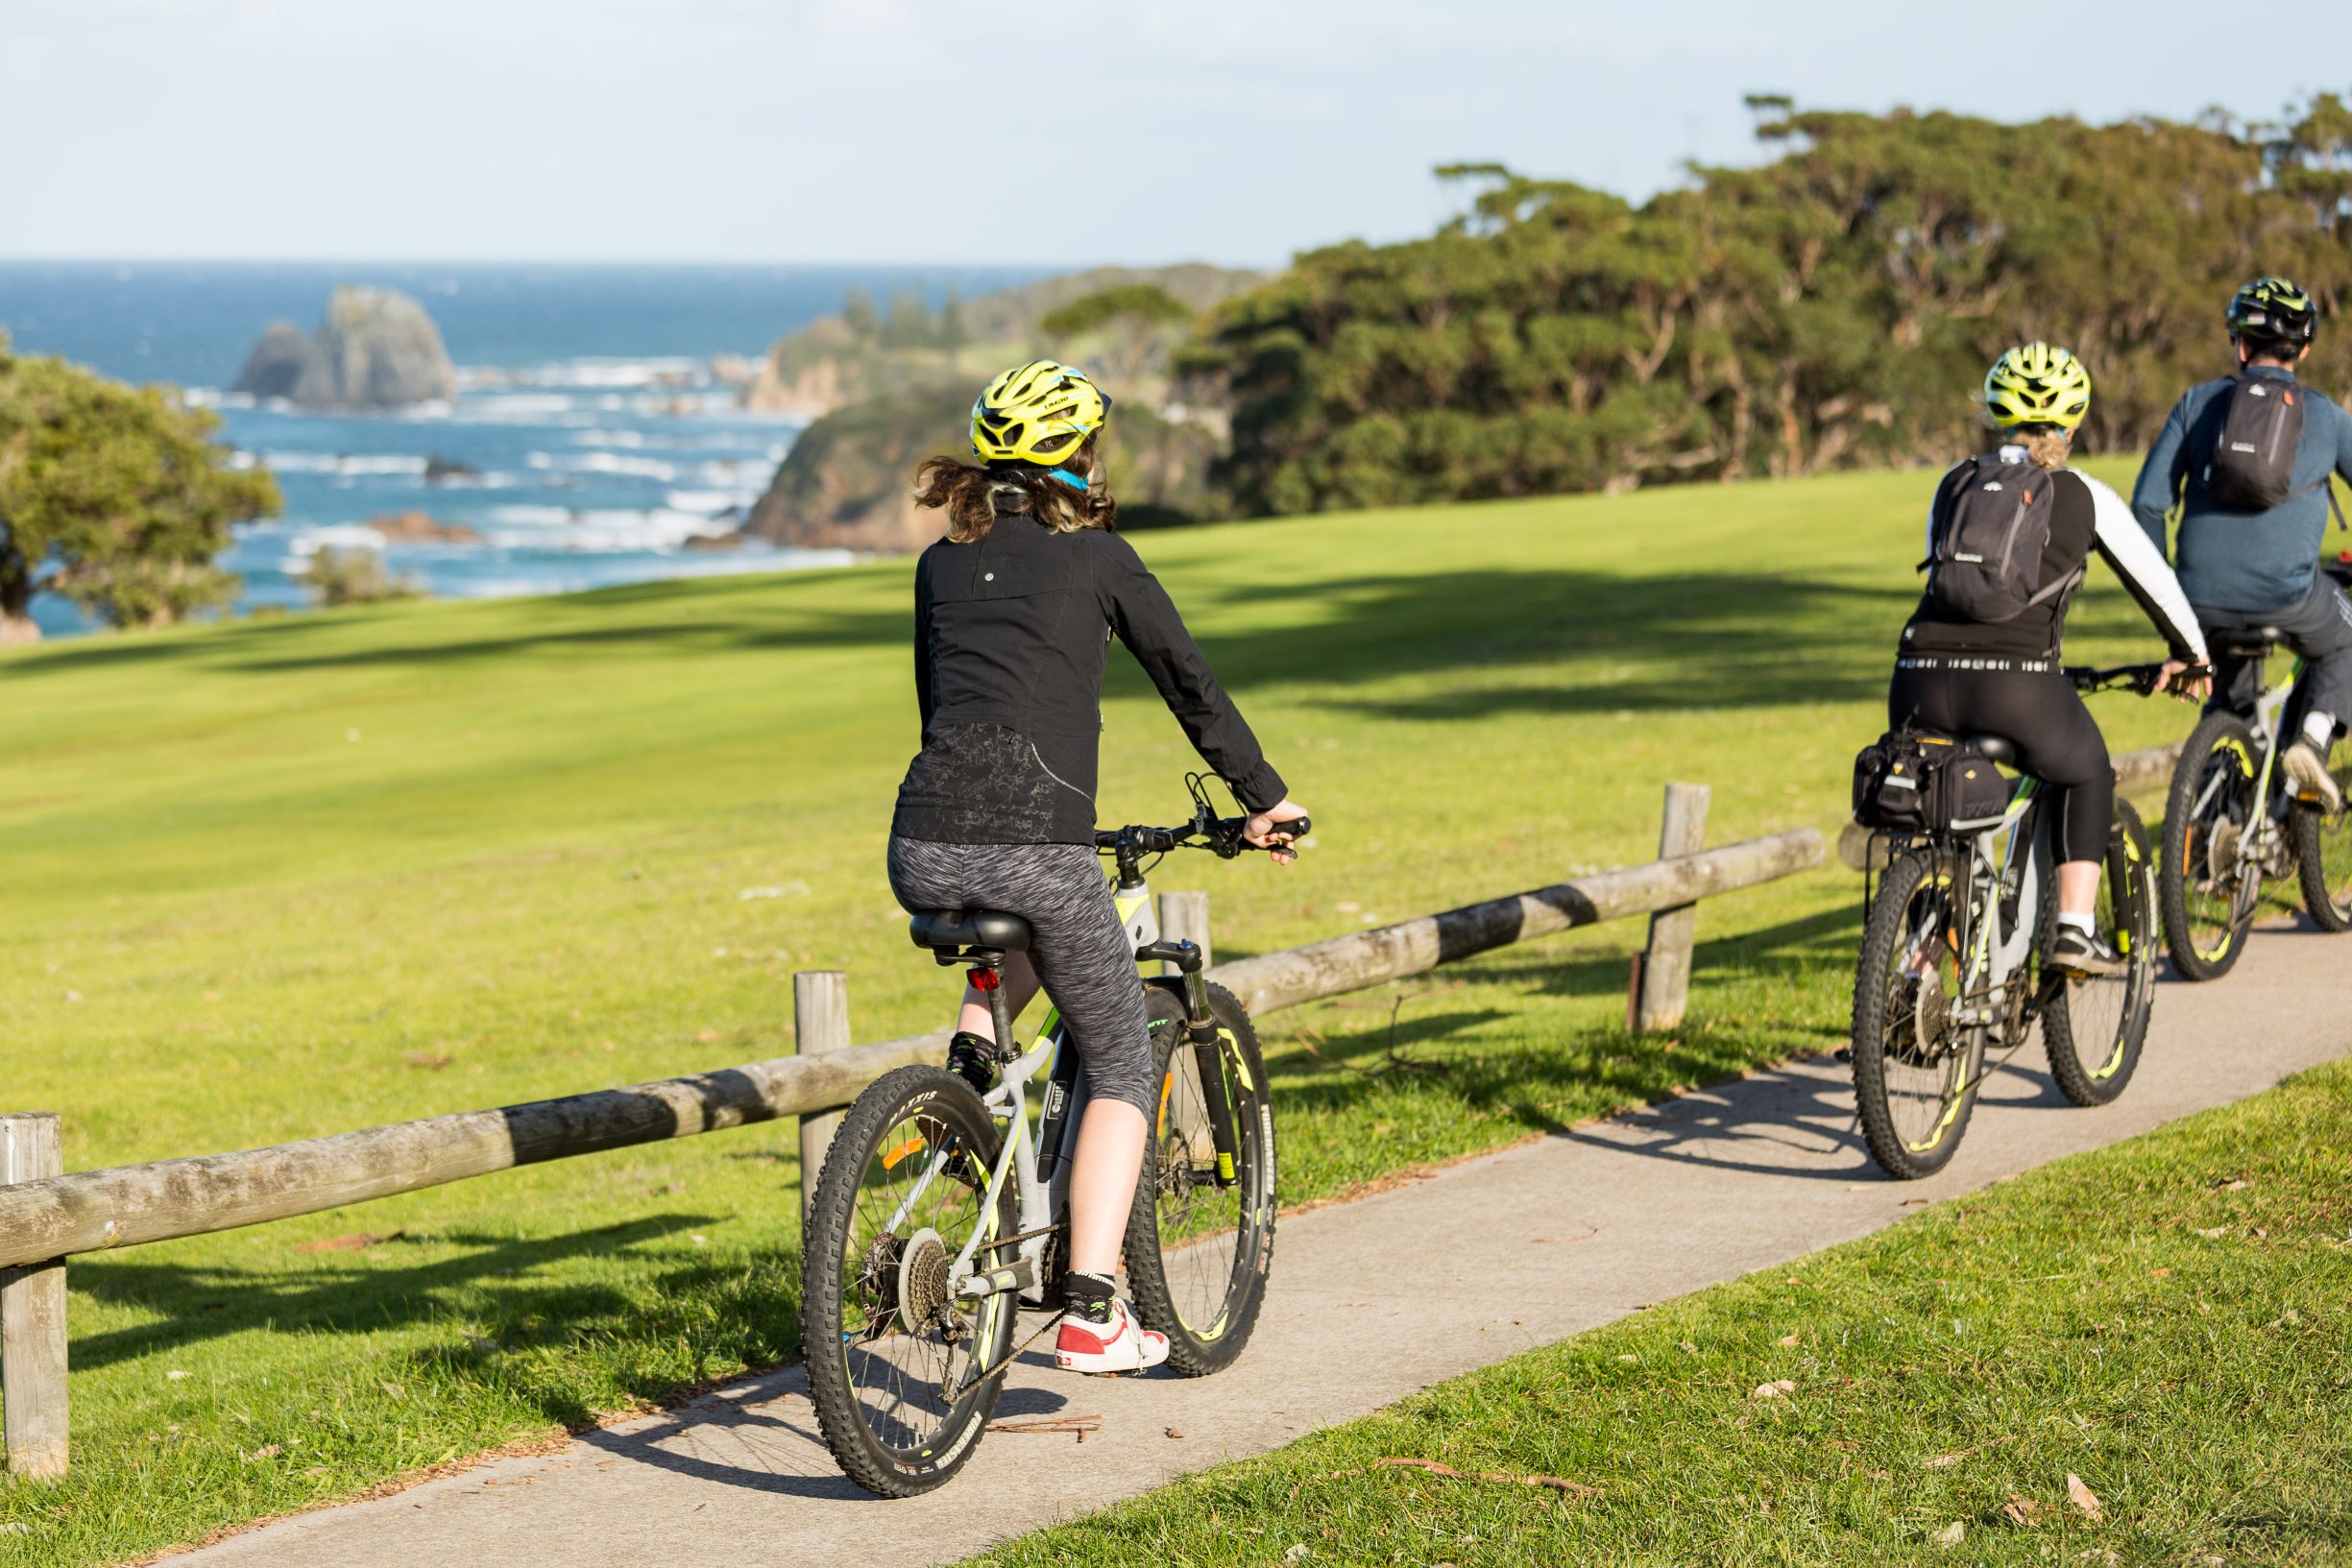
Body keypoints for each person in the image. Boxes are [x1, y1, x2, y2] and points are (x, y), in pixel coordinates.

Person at [887, 359, 1310, 1375]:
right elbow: (1190, 685)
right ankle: (1091, 1307)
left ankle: (966, 1093)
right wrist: (1262, 798)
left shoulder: (939, 565)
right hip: (1037, 844)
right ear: (1074, 460)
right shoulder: (1099, 559)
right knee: (1120, 1057)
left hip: (922, 840)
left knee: (1030, 930)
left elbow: (941, 707)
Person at [1891, 343, 2208, 975]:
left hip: (1918, 677)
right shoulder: (2083, 494)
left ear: (1996, 414)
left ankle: (1915, 970)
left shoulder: (1954, 482)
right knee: (2086, 771)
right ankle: (2073, 928)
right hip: (2017, 687)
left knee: (1938, 802)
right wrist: (2191, 656)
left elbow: (1947, 576)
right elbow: (2155, 584)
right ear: (2073, 421)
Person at [2130, 276, 2352, 811]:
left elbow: (2147, 505)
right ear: (2302, 350)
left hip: (2198, 600)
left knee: (2227, 705)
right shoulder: (2325, 414)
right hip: (2289, 599)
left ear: (2241, 345)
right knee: (2346, 640)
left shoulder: (2197, 403)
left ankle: (2208, 829)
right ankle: (2312, 740)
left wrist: (2168, 602)